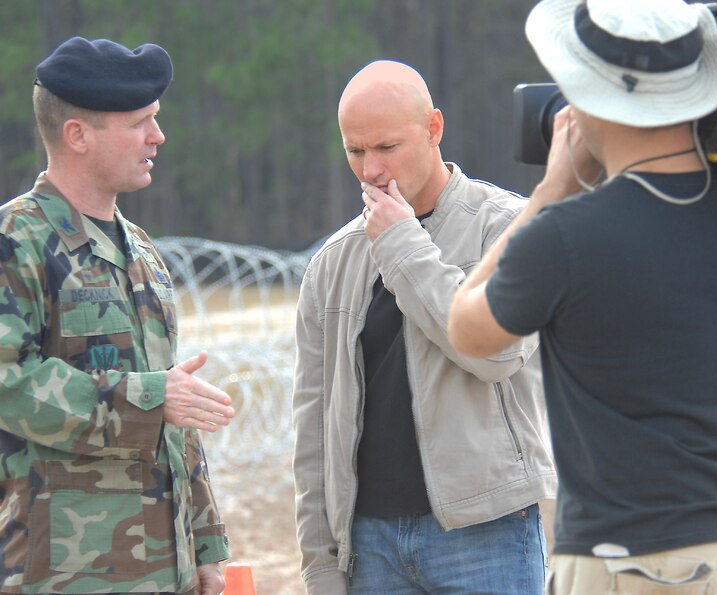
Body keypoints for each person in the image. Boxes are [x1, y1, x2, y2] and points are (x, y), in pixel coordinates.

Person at [447, 0, 717, 593]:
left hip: (626, 562)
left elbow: (467, 329)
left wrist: (551, 192)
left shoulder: (564, 236)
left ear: (588, 97)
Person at [291, 59, 557, 594]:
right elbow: (313, 425)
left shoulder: (507, 226)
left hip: (487, 534)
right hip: (369, 548)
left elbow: (495, 354)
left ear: (434, 128)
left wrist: (403, 246)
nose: (370, 170)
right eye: (355, 151)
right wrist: (319, 563)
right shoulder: (334, 263)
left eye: (386, 148)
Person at [0, 37, 236, 594]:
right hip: (66, 573)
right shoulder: (17, 242)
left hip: (164, 568)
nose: (158, 136)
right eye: (139, 123)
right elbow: (7, 382)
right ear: (77, 135)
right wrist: (145, 397)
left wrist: (205, 544)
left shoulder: (142, 252)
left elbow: (174, 406)